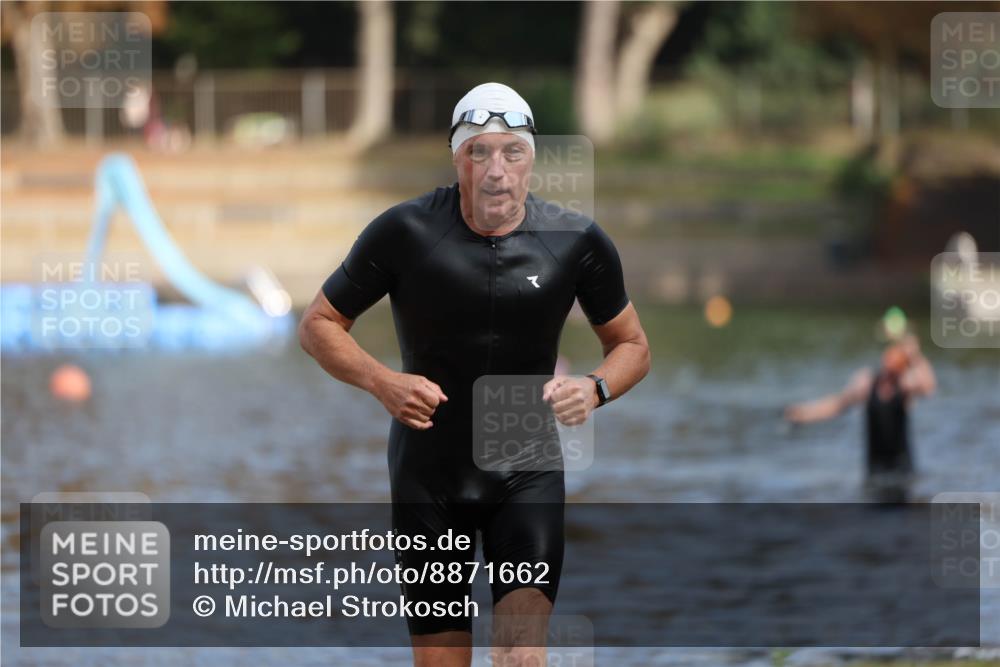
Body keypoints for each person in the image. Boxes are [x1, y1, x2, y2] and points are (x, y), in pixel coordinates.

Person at [299, 82, 651, 667]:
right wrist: (382, 381)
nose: (496, 171)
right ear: (456, 159)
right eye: (478, 152)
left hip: (526, 472)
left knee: (520, 658)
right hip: (428, 479)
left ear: (531, 161)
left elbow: (632, 345)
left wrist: (596, 388)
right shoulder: (405, 232)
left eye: (512, 153)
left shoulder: (577, 241)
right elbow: (319, 324)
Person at [783, 333, 936, 502]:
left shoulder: (905, 386)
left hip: (902, 470)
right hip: (874, 469)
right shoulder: (867, 383)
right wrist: (804, 414)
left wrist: (915, 355)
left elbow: (928, 387)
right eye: (890, 354)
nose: (892, 359)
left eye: (898, 357)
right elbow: (837, 405)